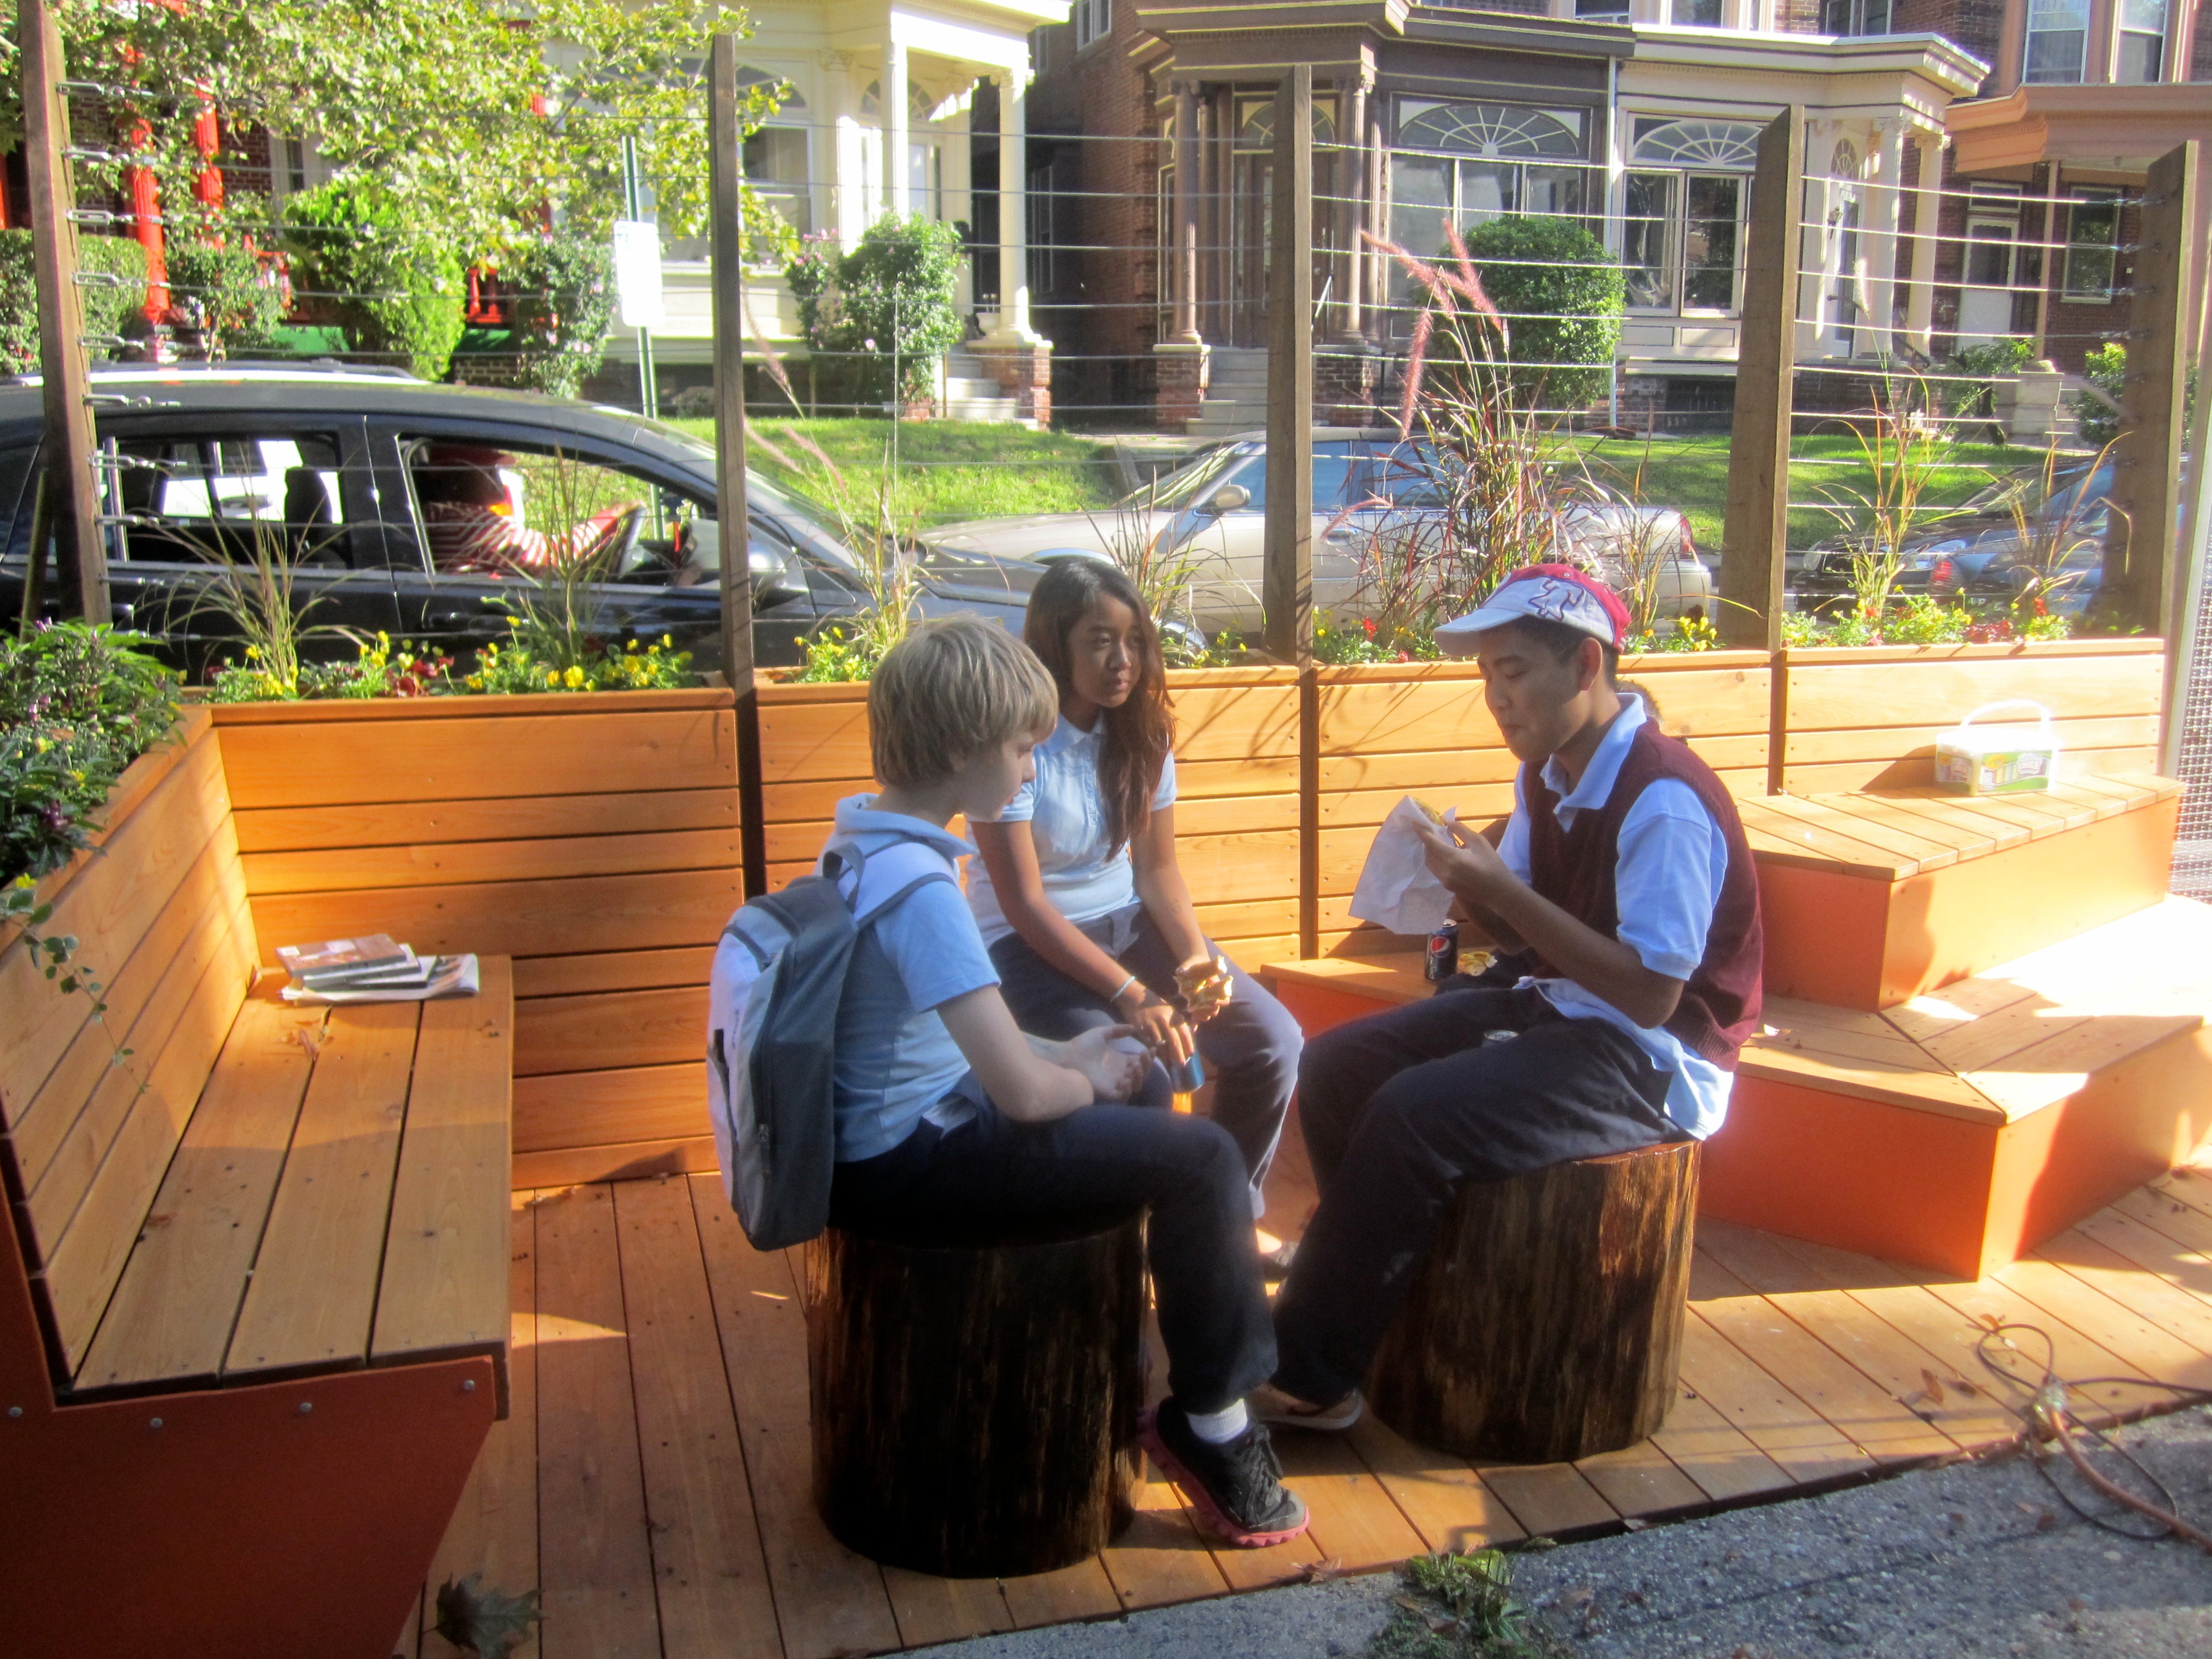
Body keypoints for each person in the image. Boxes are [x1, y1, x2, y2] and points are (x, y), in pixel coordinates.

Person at [821, 615, 1308, 1547]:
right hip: (913, 1166)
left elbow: (951, 1040)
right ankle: (1213, 1421)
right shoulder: (925, 894)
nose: (1033, 771)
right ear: (966, 748)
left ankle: (1133, 1371)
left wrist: (1080, 1052)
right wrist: (1084, 1078)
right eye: (1023, 748)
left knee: (1143, 1111)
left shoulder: (863, 849)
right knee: (1202, 1157)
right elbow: (1024, 1100)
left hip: (893, 1138)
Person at [1257, 565, 1762, 1429]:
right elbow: (1526, 936)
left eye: (1516, 669)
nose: (1496, 696)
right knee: (1339, 1063)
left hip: (1656, 1060)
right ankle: (1380, 1288)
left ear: (1588, 665)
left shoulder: (1664, 798)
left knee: (1415, 1112)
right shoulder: (1548, 774)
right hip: (1558, 1003)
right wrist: (1458, 881)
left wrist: (1506, 895)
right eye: (1487, 674)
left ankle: (1313, 1373)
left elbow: (1649, 992)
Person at [968, 559, 1303, 1260]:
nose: (1123, 662)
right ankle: (1112, 1262)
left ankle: (1223, 1222)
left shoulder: (1144, 733)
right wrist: (1133, 996)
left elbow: (1157, 871)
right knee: (1136, 1077)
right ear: (1055, 644)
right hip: (1029, 948)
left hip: (1130, 924)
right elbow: (1024, 904)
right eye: (1099, 641)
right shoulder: (1016, 740)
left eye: (1134, 641)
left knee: (1272, 1041)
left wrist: (1192, 960)